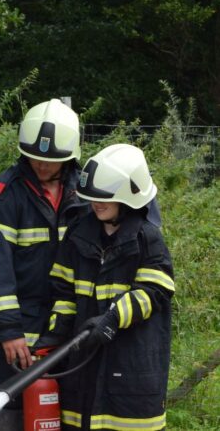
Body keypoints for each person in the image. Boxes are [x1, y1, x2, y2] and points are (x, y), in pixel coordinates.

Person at [0, 98, 88, 430]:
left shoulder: (85, 197)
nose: (41, 165)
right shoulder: (2, 197)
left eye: (50, 161)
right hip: (12, 342)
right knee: (5, 422)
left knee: (63, 418)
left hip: (68, 336)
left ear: (69, 158)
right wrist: (9, 332)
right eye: (35, 157)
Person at [46, 144, 174, 431]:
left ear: (129, 198)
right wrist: (54, 334)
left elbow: (154, 291)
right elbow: (64, 292)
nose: (96, 204)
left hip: (131, 364)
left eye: (104, 198)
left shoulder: (147, 239)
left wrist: (113, 318)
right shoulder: (78, 235)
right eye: (91, 198)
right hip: (83, 363)